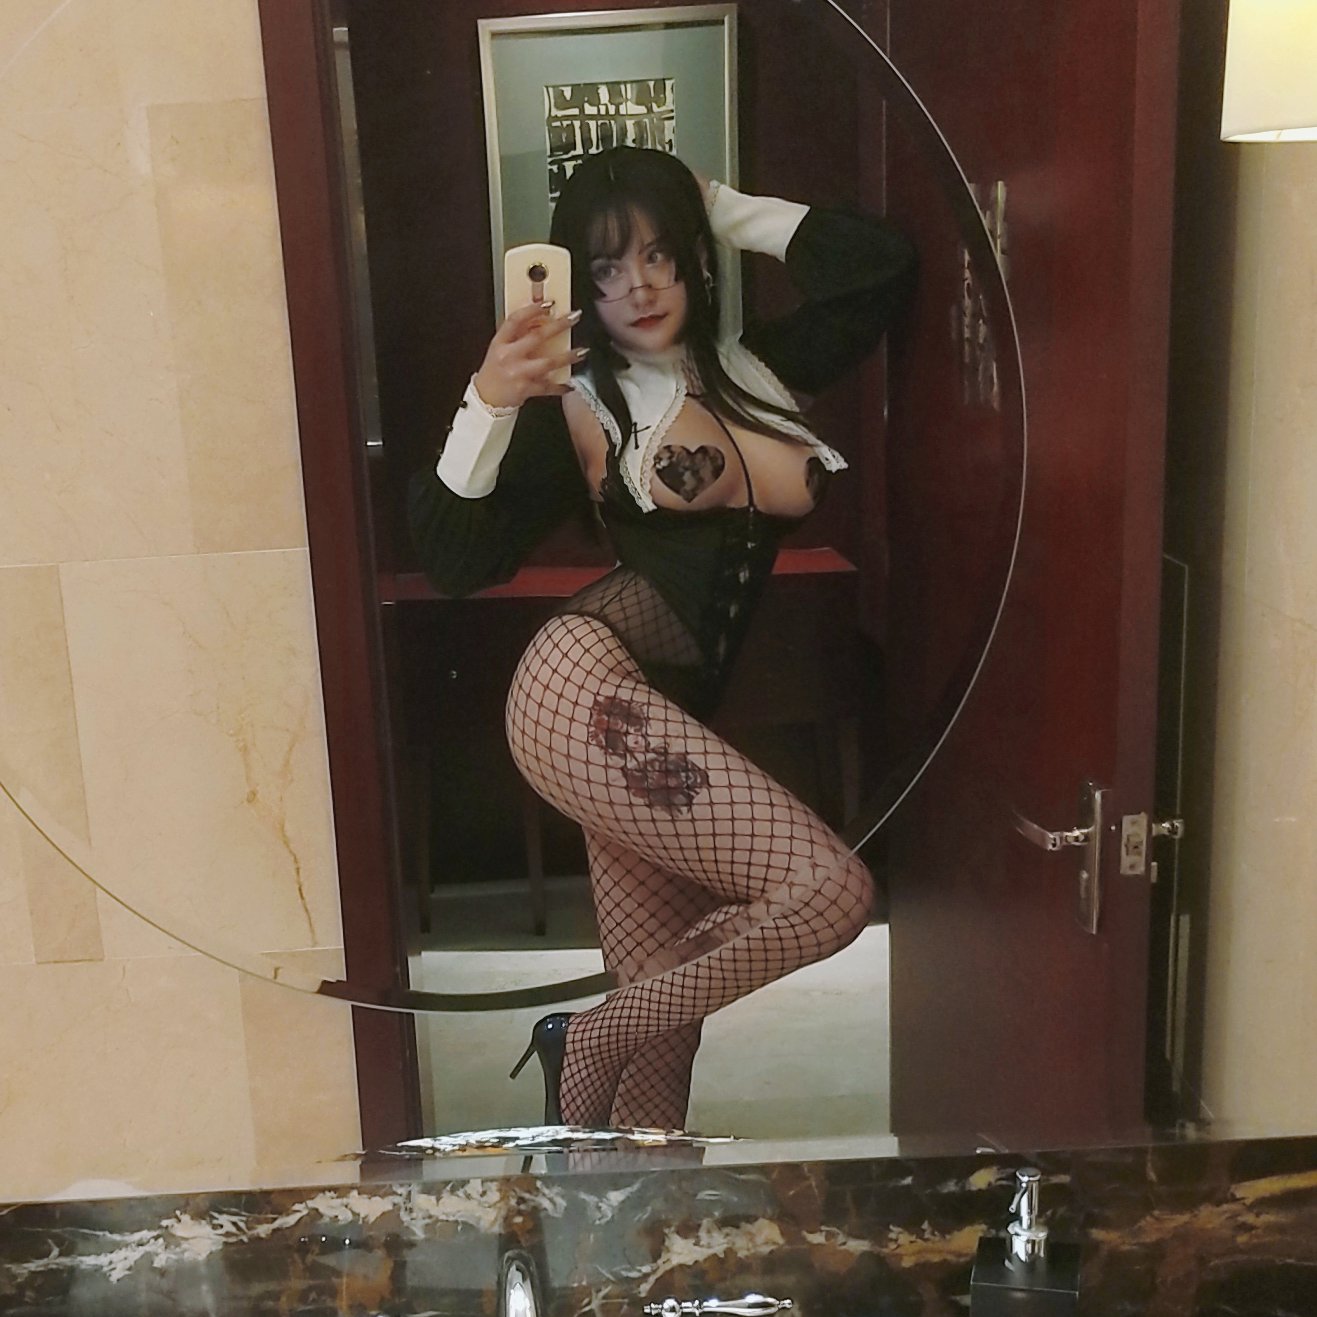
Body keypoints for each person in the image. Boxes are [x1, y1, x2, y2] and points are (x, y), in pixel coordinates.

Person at [409, 147, 916, 1130]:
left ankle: (612, 1211)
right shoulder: (580, 406)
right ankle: (589, 1035)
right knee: (830, 893)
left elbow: (881, 266)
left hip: (650, 707)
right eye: (605, 268)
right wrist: (490, 400)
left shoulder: (758, 369)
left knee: (667, 1037)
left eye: (657, 255)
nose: (637, 287)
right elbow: (455, 558)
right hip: (578, 688)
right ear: (580, 286)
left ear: (691, 258)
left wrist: (716, 202)